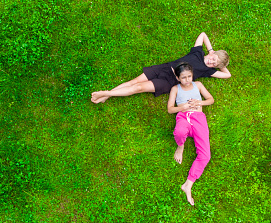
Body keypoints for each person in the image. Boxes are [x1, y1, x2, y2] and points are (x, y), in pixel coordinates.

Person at [91, 32, 229, 104]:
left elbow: (227, 75)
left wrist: (221, 64)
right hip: (164, 68)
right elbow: (203, 34)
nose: (212, 62)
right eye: (213, 59)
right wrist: (211, 50)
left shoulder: (208, 71)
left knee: (138, 88)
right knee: (133, 82)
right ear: (213, 53)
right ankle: (106, 96)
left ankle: (106, 93)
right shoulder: (198, 52)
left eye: (215, 64)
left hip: (169, 82)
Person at [167, 62, 213, 206]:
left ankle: (188, 184)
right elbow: (170, 109)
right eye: (184, 77)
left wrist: (199, 102)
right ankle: (180, 147)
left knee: (205, 155)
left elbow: (211, 100)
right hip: (184, 116)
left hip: (199, 119)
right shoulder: (175, 88)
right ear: (177, 77)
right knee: (180, 131)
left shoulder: (198, 85)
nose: (187, 80)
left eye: (189, 77)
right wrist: (183, 107)